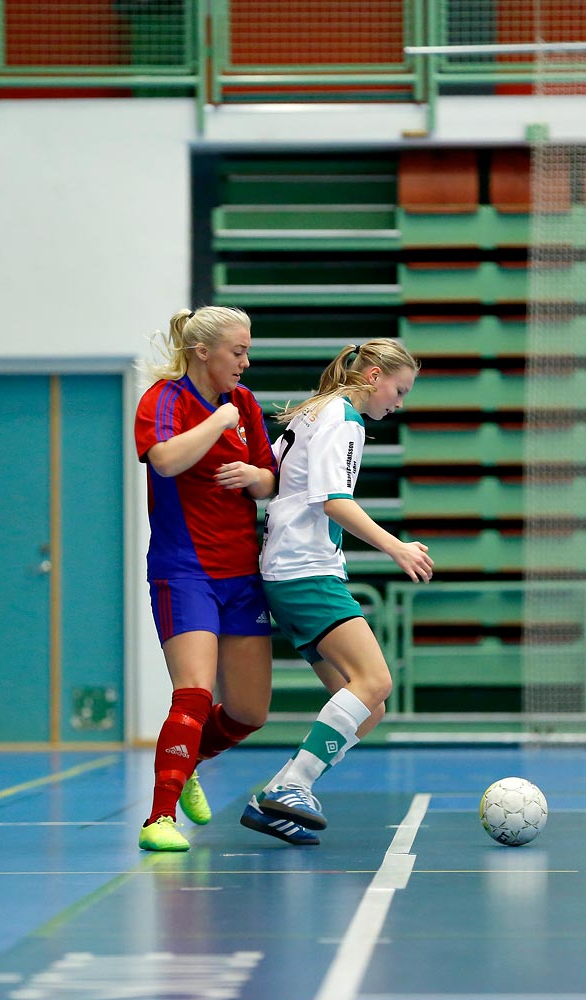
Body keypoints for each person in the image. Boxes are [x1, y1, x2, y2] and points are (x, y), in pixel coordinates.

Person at [132, 306, 304, 852]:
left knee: (250, 711)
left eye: (248, 351)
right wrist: (216, 423)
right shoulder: (164, 400)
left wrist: (258, 475)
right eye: (238, 351)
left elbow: (267, 483)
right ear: (203, 351)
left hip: (240, 573)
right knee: (194, 693)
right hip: (184, 572)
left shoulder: (246, 403)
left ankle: (188, 761)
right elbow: (163, 461)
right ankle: (158, 819)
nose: (246, 364)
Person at [247, 339, 432, 843]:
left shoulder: (314, 411)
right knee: (375, 681)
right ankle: (296, 785)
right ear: (373, 376)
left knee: (368, 710)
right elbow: (334, 501)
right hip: (305, 571)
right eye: (399, 389)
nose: (399, 402)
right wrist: (397, 547)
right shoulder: (343, 418)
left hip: (288, 571)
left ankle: (275, 795)